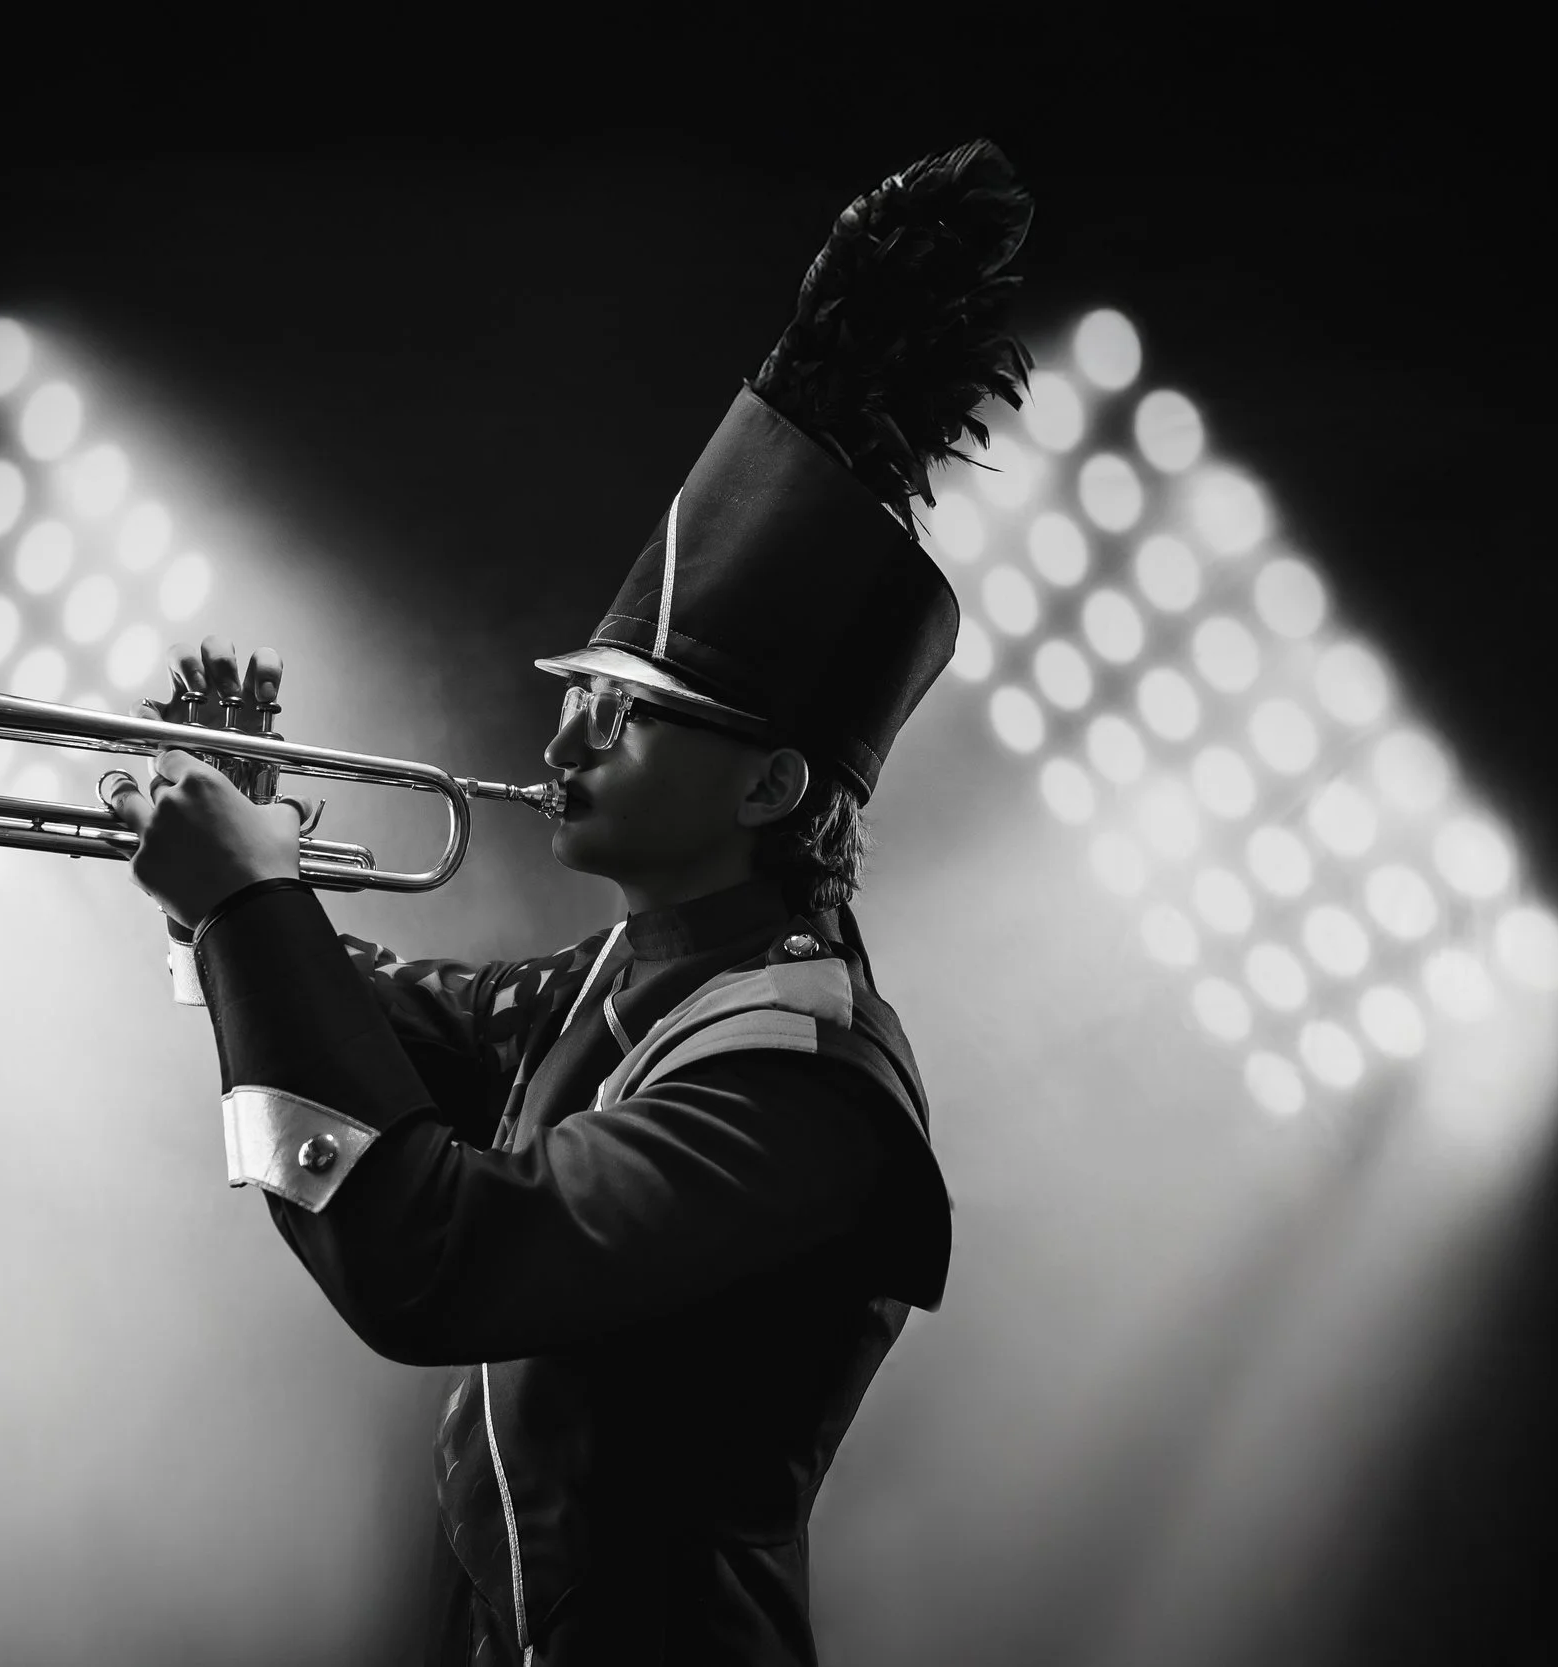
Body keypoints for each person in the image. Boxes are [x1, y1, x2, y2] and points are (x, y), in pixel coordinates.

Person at [105, 140, 1033, 1666]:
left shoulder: (800, 1082)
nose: (572, 731)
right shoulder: (629, 982)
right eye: (583, 689)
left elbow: (442, 1259)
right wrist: (233, 887)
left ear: (772, 788)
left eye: (637, 706)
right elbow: (373, 1017)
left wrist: (250, 904)